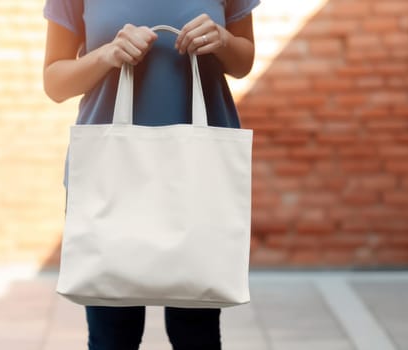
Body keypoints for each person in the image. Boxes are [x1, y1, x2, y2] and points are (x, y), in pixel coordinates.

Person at [42, 0, 260, 349]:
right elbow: (54, 82)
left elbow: (243, 60)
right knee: (112, 338)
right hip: (110, 177)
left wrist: (222, 40)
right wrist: (106, 55)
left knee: (197, 336)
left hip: (197, 177)